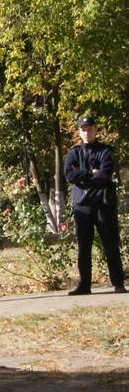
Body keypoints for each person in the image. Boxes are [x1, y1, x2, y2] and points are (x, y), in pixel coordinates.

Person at [64, 116, 126, 295]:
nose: (86, 132)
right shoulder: (74, 152)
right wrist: (91, 172)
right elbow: (69, 176)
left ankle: (118, 283)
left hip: (103, 205)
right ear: (79, 132)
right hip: (82, 206)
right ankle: (84, 285)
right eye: (83, 129)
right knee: (84, 247)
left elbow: (105, 175)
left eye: (89, 129)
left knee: (111, 244)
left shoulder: (106, 151)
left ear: (95, 130)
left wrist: (81, 176)